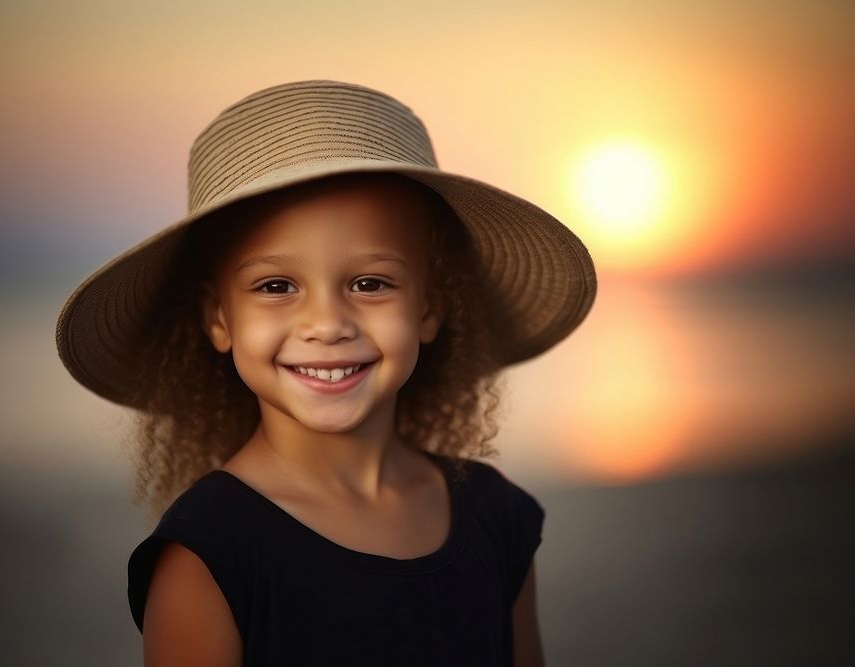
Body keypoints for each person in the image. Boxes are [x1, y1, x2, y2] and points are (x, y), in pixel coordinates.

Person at [56, 79, 596, 666]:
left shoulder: (497, 515)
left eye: (370, 283)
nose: (328, 323)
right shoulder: (209, 553)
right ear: (219, 318)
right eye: (276, 286)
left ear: (429, 308)